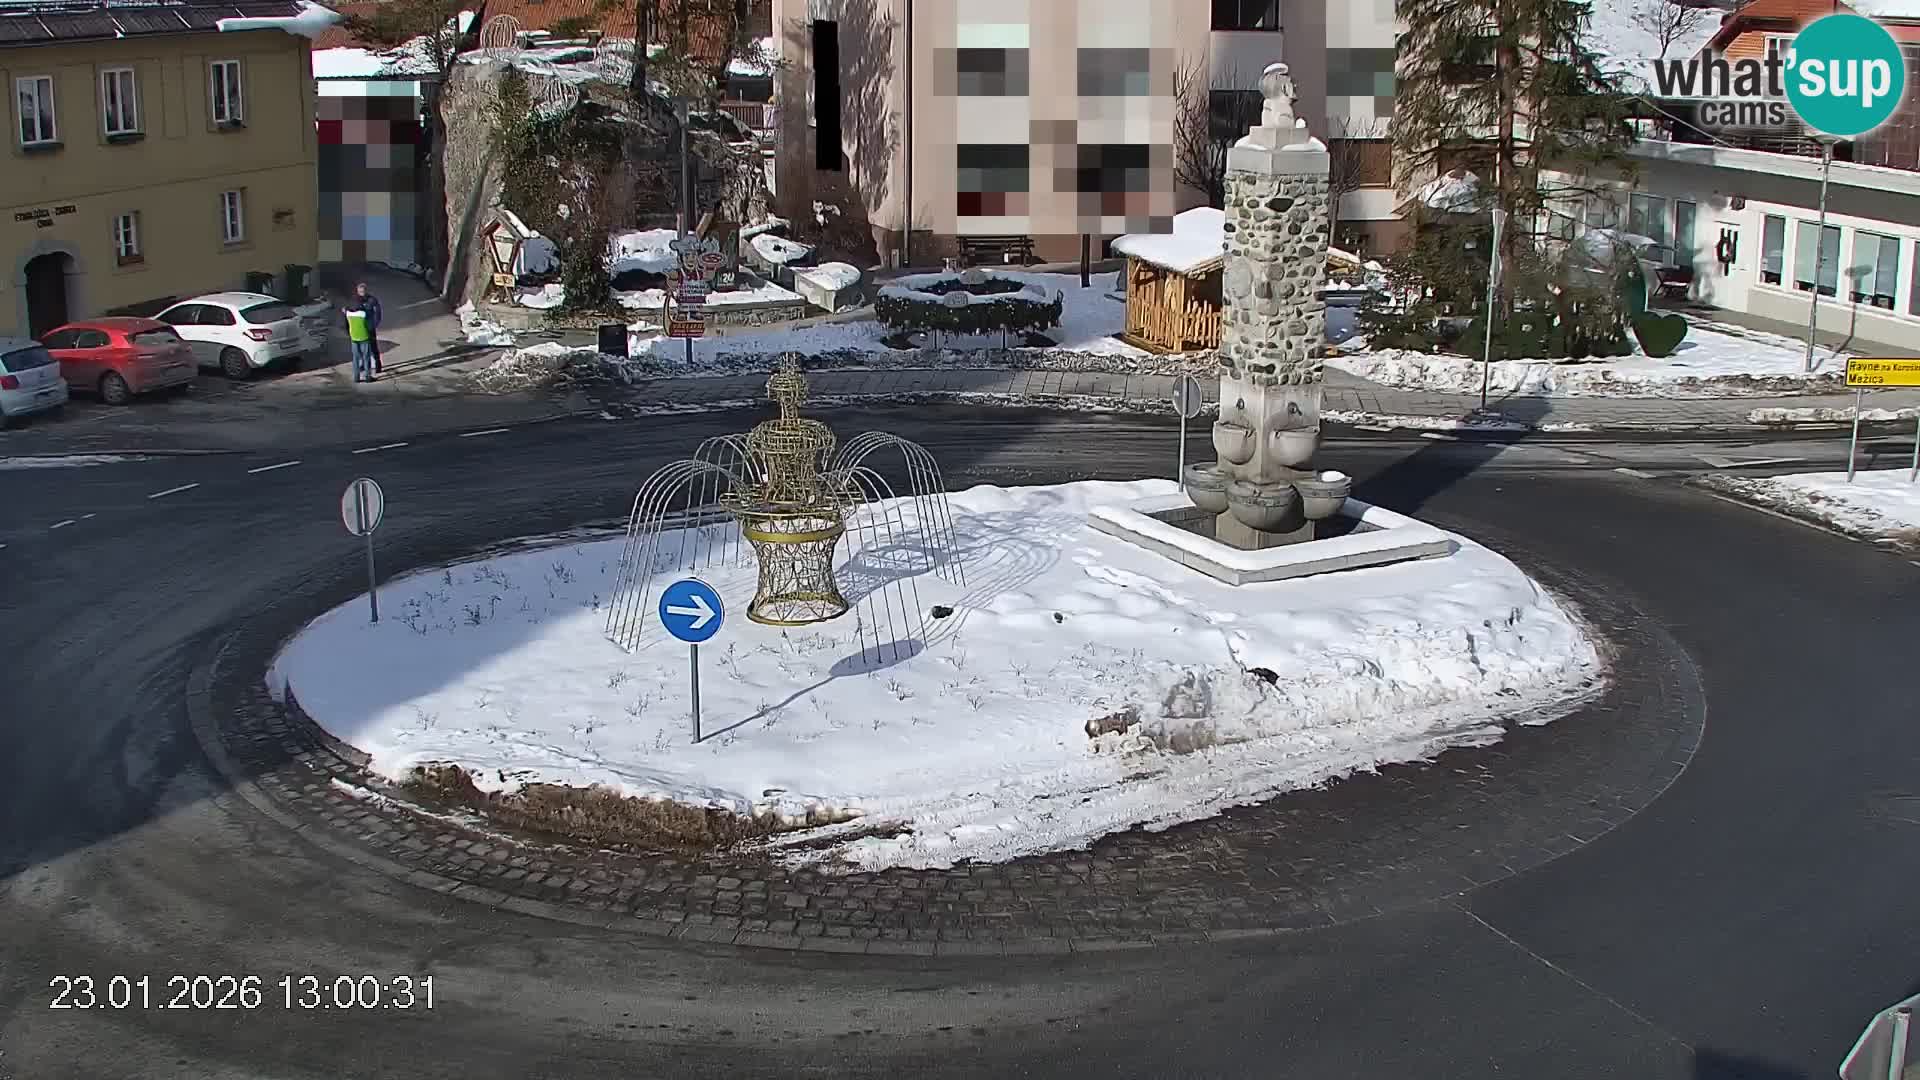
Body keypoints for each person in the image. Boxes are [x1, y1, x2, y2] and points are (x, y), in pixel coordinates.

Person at [342, 294, 375, 383]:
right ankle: (368, 377)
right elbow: (369, 321)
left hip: (354, 337)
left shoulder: (348, 314)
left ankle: (357, 377)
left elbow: (345, 314)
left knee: (355, 358)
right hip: (364, 337)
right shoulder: (363, 314)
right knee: (366, 357)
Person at [354, 281, 384, 374]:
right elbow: (352, 311)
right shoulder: (356, 300)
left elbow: (377, 313)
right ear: (357, 292)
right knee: (362, 347)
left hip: (370, 327)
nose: (361, 293)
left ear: (366, 291)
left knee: (373, 346)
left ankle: (378, 364)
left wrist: (374, 325)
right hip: (360, 327)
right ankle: (364, 364)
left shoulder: (372, 300)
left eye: (363, 292)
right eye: (360, 292)